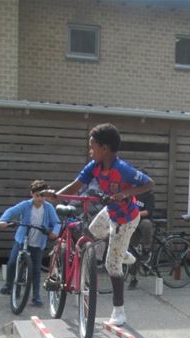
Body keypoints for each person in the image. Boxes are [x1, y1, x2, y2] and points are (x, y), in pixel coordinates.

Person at [56, 123, 154, 326]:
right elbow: (76, 186)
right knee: (90, 236)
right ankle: (123, 253)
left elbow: (149, 183)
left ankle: (119, 311)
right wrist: (55, 196)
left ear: (105, 148)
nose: (90, 151)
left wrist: (125, 194)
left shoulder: (122, 169)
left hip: (126, 219)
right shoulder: (94, 167)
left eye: (92, 147)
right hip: (109, 212)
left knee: (112, 264)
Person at [0, 180, 61, 306]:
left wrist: (54, 232)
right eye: (37, 195)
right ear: (32, 194)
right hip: (22, 240)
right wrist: (3, 221)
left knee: (36, 270)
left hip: (37, 243)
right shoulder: (25, 205)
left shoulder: (48, 208)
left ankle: (36, 297)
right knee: (12, 263)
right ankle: (10, 286)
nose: (40, 199)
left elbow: (57, 222)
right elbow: (11, 211)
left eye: (42, 196)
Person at [127, 168, 156, 290]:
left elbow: (148, 211)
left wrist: (135, 215)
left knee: (146, 224)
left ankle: (147, 249)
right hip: (132, 223)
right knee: (131, 250)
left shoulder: (149, 195)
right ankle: (133, 278)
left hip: (143, 220)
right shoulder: (132, 193)